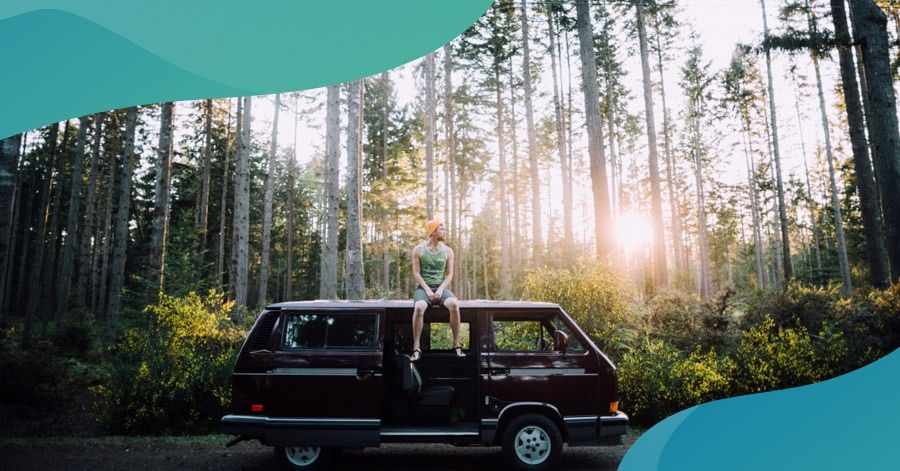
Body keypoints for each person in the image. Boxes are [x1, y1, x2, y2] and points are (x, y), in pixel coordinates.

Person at [410, 220, 463, 361]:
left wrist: (440, 289)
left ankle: (457, 344)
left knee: (454, 304)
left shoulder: (448, 251)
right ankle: (416, 347)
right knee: (420, 307)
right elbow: (416, 273)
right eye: (442, 229)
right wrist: (427, 290)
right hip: (423, 288)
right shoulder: (418, 250)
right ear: (433, 232)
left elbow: (450, 274)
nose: (444, 232)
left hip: (441, 287)